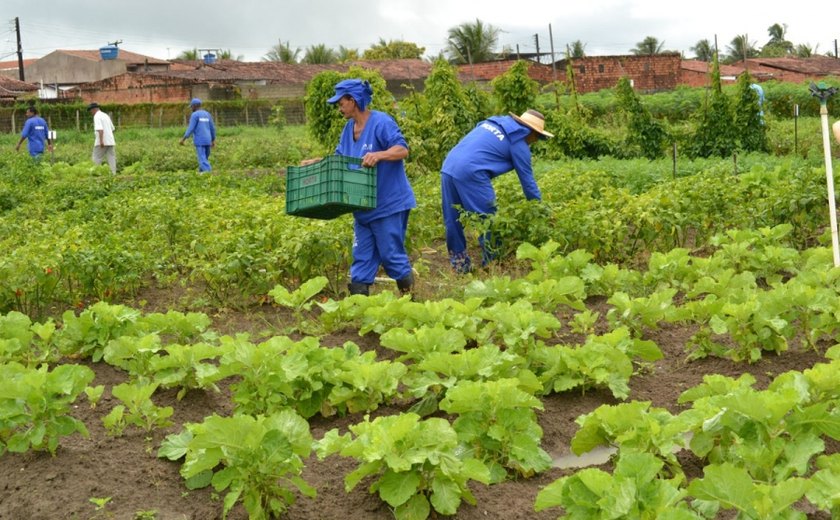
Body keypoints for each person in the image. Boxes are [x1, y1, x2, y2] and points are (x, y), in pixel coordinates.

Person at [312, 78, 416, 296]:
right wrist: (319, 163)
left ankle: (411, 303)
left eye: (341, 102)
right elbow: (341, 159)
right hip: (362, 206)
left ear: (354, 100)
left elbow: (402, 149)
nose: (339, 107)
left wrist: (379, 154)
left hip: (388, 203)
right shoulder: (348, 129)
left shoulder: (381, 122)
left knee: (391, 255)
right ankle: (360, 309)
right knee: (361, 257)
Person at [440, 109, 554, 273]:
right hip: (472, 172)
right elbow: (528, 183)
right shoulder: (519, 143)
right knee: (488, 218)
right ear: (530, 132)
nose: (535, 141)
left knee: (452, 218)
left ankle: (459, 265)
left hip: (449, 165)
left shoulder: (494, 122)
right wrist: (540, 210)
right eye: (537, 137)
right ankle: (492, 264)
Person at [180, 98, 216, 172]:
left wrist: (183, 139)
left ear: (194, 106)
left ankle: (209, 173)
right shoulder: (207, 114)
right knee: (204, 158)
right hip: (208, 140)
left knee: (202, 159)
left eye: (191, 107)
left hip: (200, 141)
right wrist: (213, 140)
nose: (191, 108)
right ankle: (201, 173)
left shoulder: (194, 115)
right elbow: (212, 128)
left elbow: (191, 128)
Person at [88, 102, 117, 174]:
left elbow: (100, 129)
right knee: (111, 157)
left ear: (94, 109)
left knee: (96, 157)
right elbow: (112, 129)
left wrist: (101, 141)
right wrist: (108, 138)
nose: (91, 112)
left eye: (91, 111)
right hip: (110, 140)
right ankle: (113, 173)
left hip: (102, 141)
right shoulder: (105, 115)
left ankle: (95, 173)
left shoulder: (97, 116)